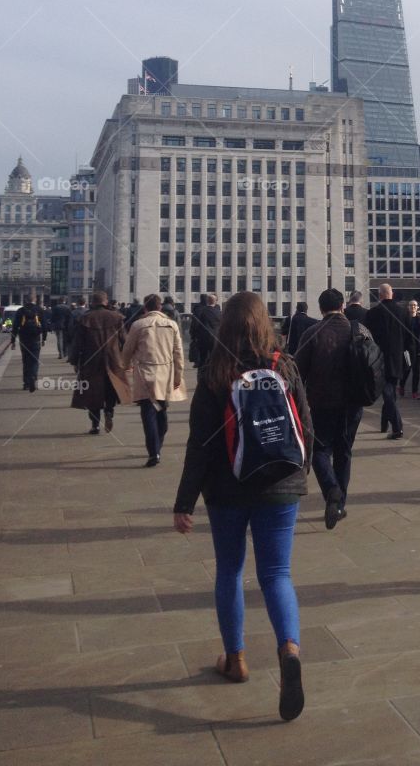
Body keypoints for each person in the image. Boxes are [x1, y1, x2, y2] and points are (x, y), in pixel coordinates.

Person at [172, 291, 311, 722]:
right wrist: (299, 473)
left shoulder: (216, 372)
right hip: (280, 484)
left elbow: (199, 445)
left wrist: (184, 502)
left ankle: (235, 660)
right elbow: (306, 424)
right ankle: (289, 648)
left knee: (230, 570)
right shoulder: (284, 365)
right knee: (277, 574)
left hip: (228, 489)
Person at [294, 287, 366, 529]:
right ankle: (339, 503)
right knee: (344, 452)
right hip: (353, 403)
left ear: (321, 309)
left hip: (322, 402)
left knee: (320, 450)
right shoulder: (359, 332)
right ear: (343, 307)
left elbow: (297, 373)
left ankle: (331, 490)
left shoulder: (312, 333)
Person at [121, 293, 186, 466]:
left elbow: (127, 349)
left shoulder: (138, 325)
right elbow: (178, 354)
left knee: (148, 413)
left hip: (144, 372)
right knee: (161, 410)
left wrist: (125, 366)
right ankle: (158, 443)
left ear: (145, 307)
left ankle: (153, 452)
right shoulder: (171, 325)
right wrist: (178, 376)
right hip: (165, 372)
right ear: (159, 307)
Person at [68, 291, 131, 434]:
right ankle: (109, 412)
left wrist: (74, 361)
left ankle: (95, 424)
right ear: (106, 302)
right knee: (111, 389)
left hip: (91, 360)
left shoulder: (85, 318)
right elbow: (125, 340)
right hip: (113, 359)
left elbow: (78, 343)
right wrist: (127, 360)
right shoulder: (116, 317)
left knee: (92, 393)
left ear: (93, 302)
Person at [365, 282, 408, 439]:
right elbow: (409, 338)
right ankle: (384, 423)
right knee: (390, 392)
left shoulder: (373, 314)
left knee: (388, 392)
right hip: (397, 358)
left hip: (379, 359)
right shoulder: (403, 312)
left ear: (380, 295)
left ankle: (397, 427)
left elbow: (367, 339)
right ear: (392, 294)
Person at [12, 296, 45, 391]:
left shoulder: (20, 311)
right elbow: (44, 325)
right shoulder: (39, 309)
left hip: (24, 339)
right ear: (34, 300)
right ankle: (33, 378)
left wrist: (13, 341)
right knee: (35, 360)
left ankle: (26, 383)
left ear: (25, 301)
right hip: (35, 338)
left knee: (26, 361)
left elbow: (15, 326)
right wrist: (44, 338)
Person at [400, 300, 420, 399]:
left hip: (418, 347)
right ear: (408, 307)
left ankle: (415, 392)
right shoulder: (404, 319)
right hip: (407, 348)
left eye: (415, 305)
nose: (413, 307)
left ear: (418, 307)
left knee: (416, 370)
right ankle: (401, 385)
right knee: (407, 367)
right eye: (411, 305)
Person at [190, 293, 222, 369]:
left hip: (203, 338)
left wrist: (194, 335)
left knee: (203, 357)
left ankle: (203, 373)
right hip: (216, 338)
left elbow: (196, 325)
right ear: (216, 301)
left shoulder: (202, 311)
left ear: (208, 301)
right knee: (214, 357)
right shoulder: (219, 313)